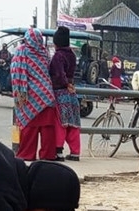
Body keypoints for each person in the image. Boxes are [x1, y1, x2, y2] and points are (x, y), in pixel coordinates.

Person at [11, 27, 57, 162]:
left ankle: (27, 154)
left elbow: (15, 72)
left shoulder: (22, 51)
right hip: (47, 95)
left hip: (30, 95)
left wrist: (19, 92)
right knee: (47, 129)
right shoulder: (44, 51)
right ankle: (47, 156)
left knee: (29, 128)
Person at [50, 26, 81, 162]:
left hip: (60, 92)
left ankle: (58, 152)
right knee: (73, 123)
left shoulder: (58, 56)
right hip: (72, 93)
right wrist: (70, 84)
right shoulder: (72, 55)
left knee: (60, 123)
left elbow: (59, 74)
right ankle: (75, 152)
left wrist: (65, 84)